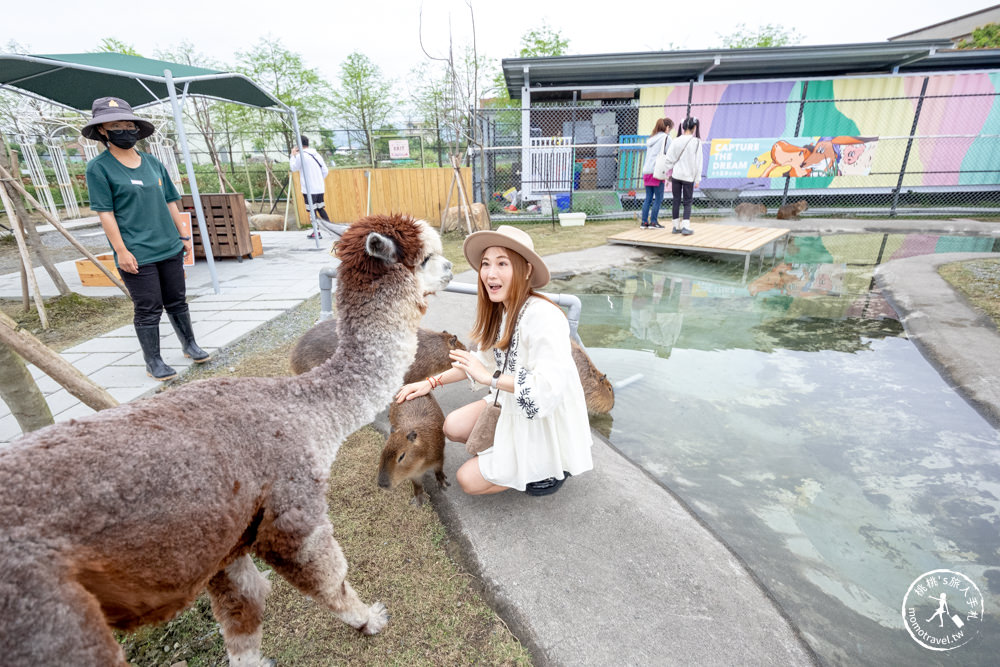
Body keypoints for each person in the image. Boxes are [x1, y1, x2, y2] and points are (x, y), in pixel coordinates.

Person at [395, 225, 593, 496]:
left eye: (502, 263)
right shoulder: (502, 311)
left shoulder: (545, 316)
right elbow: (482, 363)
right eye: (486, 264)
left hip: (542, 416)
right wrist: (430, 382)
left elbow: (547, 388)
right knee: (452, 426)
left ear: (526, 270)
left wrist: (492, 379)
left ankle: (547, 466)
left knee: (468, 481)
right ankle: (511, 451)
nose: (490, 273)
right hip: (511, 401)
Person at [83, 96, 211, 382]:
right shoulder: (99, 168)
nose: (125, 129)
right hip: (136, 251)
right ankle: (153, 360)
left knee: (177, 300)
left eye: (128, 124)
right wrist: (121, 251)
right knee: (148, 307)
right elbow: (106, 213)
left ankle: (189, 344)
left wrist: (183, 236)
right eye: (116, 125)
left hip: (168, 245)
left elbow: (170, 201)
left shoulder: (152, 162)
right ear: (103, 131)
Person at [662, 116, 704, 236]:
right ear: (694, 127)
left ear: (683, 127)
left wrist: (665, 172)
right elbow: (698, 162)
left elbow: (669, 159)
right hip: (688, 176)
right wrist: (697, 179)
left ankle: (675, 226)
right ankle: (686, 226)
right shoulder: (696, 142)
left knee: (676, 200)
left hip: (676, 175)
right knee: (687, 201)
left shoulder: (676, 140)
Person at [289, 135, 330, 240]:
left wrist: (292, 155)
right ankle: (331, 229)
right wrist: (318, 180)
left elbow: (293, 168)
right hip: (320, 188)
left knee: (312, 210)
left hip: (309, 189)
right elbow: (325, 170)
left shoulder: (300, 156)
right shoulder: (317, 155)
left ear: (299, 145)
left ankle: (316, 232)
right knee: (320, 208)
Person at [639, 118, 673, 229]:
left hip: (647, 170)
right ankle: (653, 222)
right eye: (670, 128)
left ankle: (644, 222)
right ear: (667, 128)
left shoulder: (652, 138)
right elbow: (670, 153)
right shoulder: (666, 138)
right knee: (658, 198)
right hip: (657, 171)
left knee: (648, 198)